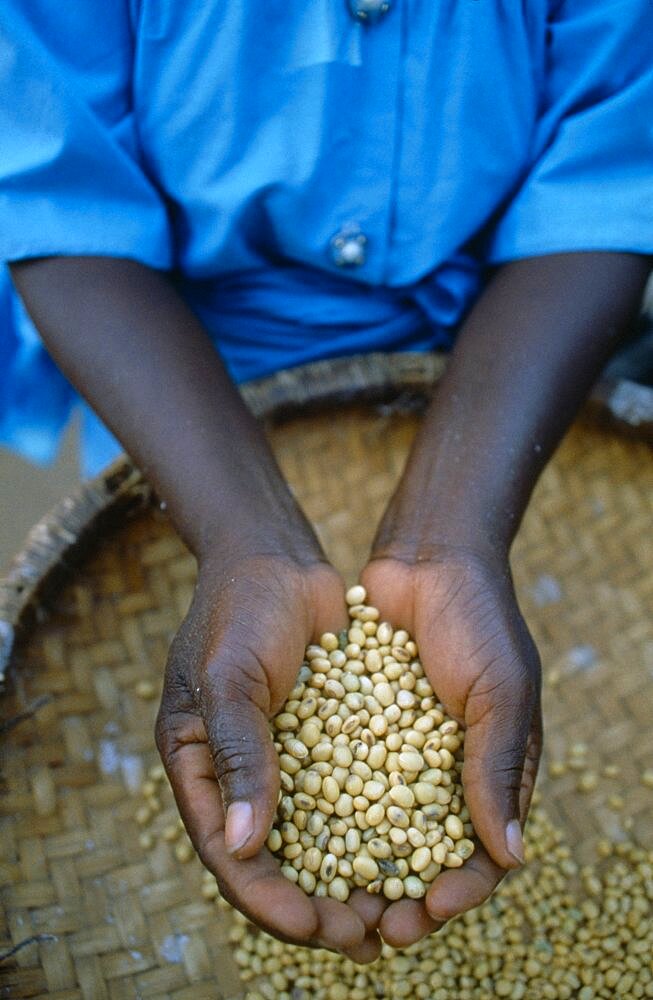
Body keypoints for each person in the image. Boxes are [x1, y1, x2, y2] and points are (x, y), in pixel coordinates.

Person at [1, 0, 652, 965]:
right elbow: (59, 193)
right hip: (175, 386)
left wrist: (449, 537)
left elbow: (606, 174)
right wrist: (240, 538)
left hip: (500, 363)